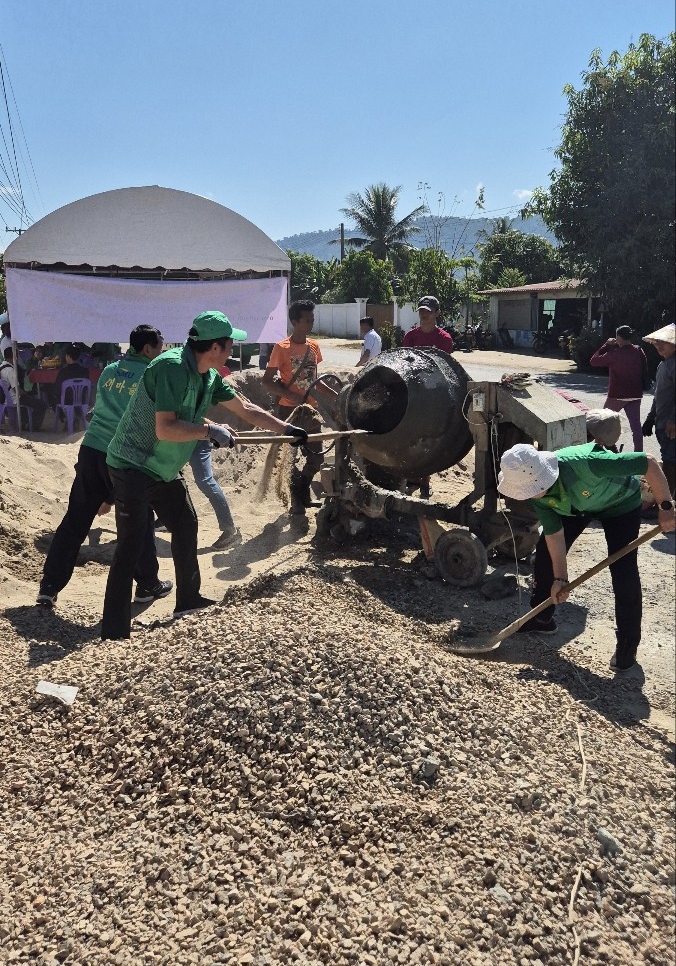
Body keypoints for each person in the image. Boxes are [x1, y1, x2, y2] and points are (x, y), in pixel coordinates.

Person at [101, 311, 308, 640]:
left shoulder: (208, 376)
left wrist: (287, 429)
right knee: (131, 544)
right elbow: (165, 427)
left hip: (163, 469)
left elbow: (246, 409)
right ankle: (113, 631)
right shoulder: (169, 367)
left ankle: (188, 600)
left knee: (185, 523)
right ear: (214, 347)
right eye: (229, 346)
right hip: (132, 465)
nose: (231, 351)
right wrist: (210, 429)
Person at [496, 441, 676, 671]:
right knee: (544, 555)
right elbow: (554, 535)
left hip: (620, 503)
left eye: (532, 489)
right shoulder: (537, 493)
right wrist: (560, 579)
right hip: (575, 507)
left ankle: (628, 644)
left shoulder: (587, 464)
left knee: (623, 569)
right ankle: (541, 617)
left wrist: (666, 507)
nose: (528, 494)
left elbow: (648, 463)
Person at [36, 326, 170, 609]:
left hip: (91, 449)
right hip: (122, 455)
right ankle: (148, 584)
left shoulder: (110, 370)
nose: (161, 352)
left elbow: (100, 409)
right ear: (147, 349)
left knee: (75, 521)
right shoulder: (153, 376)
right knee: (139, 519)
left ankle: (48, 586)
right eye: (160, 346)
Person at [262, 300, 339, 515]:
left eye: (312, 320)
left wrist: (335, 396)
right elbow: (267, 381)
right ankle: (297, 498)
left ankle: (302, 489)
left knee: (317, 457)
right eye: (307, 320)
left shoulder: (314, 346)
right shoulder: (281, 347)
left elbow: (314, 380)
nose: (311, 324)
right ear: (294, 322)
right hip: (289, 412)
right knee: (290, 459)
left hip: (311, 411)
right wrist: (290, 396)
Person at [403, 296, 453, 499]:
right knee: (408, 436)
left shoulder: (444, 339)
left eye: (429, 311)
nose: (424, 314)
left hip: (433, 395)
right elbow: (405, 362)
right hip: (413, 393)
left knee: (429, 438)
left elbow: (443, 369)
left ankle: (425, 480)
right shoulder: (410, 337)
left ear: (437, 313)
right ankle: (409, 476)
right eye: (422, 311)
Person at [589, 325, 648, 451]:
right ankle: (638, 455)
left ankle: (603, 451)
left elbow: (593, 361)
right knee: (636, 427)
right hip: (635, 393)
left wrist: (606, 345)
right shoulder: (638, 350)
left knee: (602, 423)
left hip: (617, 395)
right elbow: (644, 367)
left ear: (618, 337)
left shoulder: (614, 354)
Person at [642, 322, 675, 498]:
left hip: (671, 426)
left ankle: (666, 503)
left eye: (665, 341)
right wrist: (650, 418)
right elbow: (658, 397)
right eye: (657, 342)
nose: (659, 345)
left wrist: (673, 419)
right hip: (662, 423)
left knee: (671, 463)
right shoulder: (663, 365)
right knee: (669, 460)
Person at [189, 439, 242, 550]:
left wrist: (214, 430)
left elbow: (198, 421)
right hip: (178, 436)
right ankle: (165, 519)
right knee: (166, 474)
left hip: (195, 437)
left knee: (205, 481)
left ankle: (230, 530)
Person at [0, 347, 48, 430]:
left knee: (32, 399)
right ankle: (33, 427)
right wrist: (25, 394)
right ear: (15, 356)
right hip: (14, 399)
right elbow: (17, 390)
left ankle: (26, 422)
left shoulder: (2, 366)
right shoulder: (11, 371)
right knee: (41, 404)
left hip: (6, 398)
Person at [49, 344, 90, 410]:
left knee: (50, 396)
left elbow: (57, 388)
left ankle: (63, 417)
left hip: (66, 401)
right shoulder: (85, 370)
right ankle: (77, 413)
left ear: (68, 356)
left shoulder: (63, 371)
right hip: (81, 399)